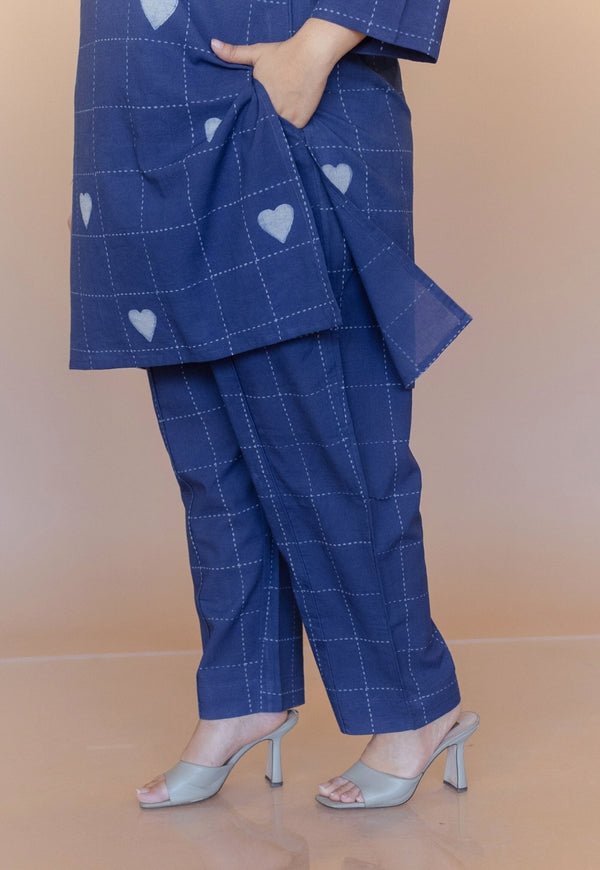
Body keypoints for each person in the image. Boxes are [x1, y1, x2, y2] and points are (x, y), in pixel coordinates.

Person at [70, 0, 479, 810]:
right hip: (145, 110)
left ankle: (415, 707)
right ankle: (242, 691)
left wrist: (317, 49)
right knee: (209, 457)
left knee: (333, 440)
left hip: (281, 86)